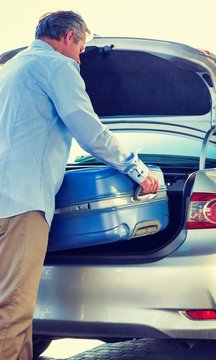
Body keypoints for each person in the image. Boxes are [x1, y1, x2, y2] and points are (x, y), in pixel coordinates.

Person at [0, 11, 159, 360]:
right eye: (82, 48)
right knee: (12, 310)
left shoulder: (9, 68)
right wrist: (139, 171)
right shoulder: (58, 67)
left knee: (14, 309)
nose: (81, 56)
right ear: (69, 37)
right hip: (22, 203)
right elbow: (90, 133)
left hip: (6, 198)